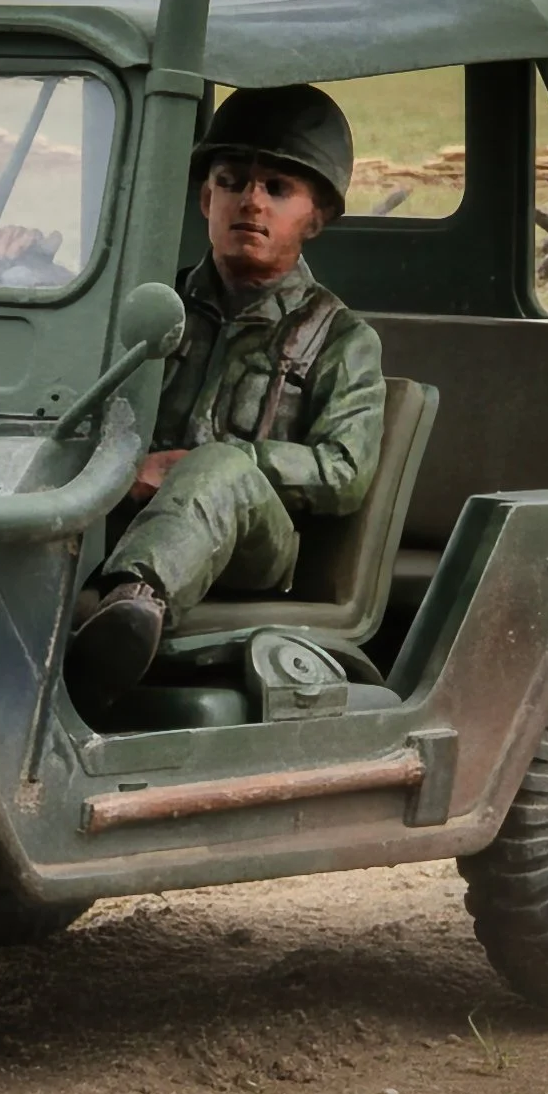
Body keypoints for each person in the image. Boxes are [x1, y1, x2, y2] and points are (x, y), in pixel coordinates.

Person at [63, 84, 387, 707]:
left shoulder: (343, 339)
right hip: (120, 508)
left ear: (315, 216)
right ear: (207, 196)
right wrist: (132, 469)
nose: (251, 202)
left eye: (278, 189)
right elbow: (80, 410)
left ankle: (131, 611)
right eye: (233, 180)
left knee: (221, 463)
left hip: (259, 547)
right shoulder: (151, 312)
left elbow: (345, 471)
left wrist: (229, 462)